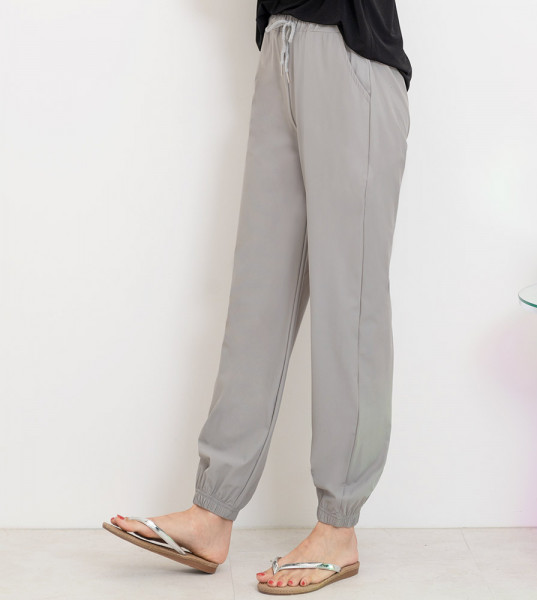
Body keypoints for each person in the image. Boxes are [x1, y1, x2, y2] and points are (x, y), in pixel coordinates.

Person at [103, 0, 411, 595]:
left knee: (349, 309)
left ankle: (338, 527)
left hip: (352, 53)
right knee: (257, 298)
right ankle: (212, 513)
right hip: (280, 49)